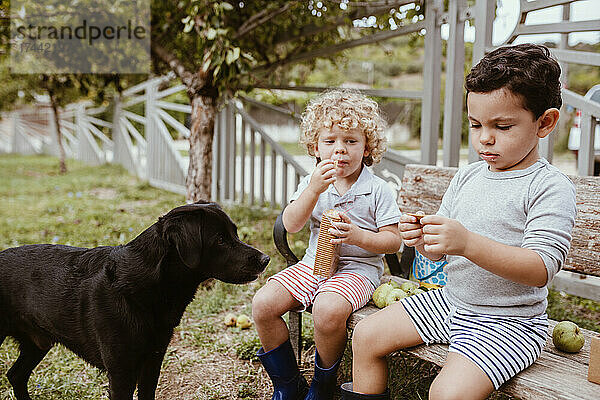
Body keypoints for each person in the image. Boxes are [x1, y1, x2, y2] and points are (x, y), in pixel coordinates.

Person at [342, 43, 577, 400]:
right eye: (476, 124)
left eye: (502, 126)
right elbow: (441, 256)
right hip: (451, 302)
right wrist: (424, 240)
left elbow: (541, 267)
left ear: (545, 122)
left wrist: (466, 242)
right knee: (367, 336)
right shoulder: (468, 177)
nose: (484, 138)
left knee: (447, 394)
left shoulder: (548, 187)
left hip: (508, 322)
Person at [252, 90, 402, 400]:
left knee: (327, 309)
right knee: (263, 304)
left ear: (367, 147)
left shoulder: (377, 190)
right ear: (315, 147)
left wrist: (357, 236)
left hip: (358, 270)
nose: (340, 151)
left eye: (351, 141)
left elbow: (392, 241)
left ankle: (323, 384)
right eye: (329, 141)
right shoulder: (312, 183)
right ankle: (287, 384)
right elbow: (291, 225)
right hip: (313, 264)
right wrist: (313, 190)